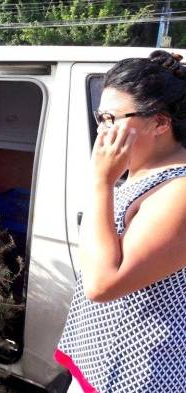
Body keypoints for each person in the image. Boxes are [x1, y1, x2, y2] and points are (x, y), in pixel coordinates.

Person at [55, 50, 186, 393]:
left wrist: (101, 181)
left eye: (113, 118)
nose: (104, 131)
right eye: (101, 118)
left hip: (140, 373)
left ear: (160, 122)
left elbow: (102, 284)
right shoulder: (138, 172)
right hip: (107, 362)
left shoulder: (179, 191)